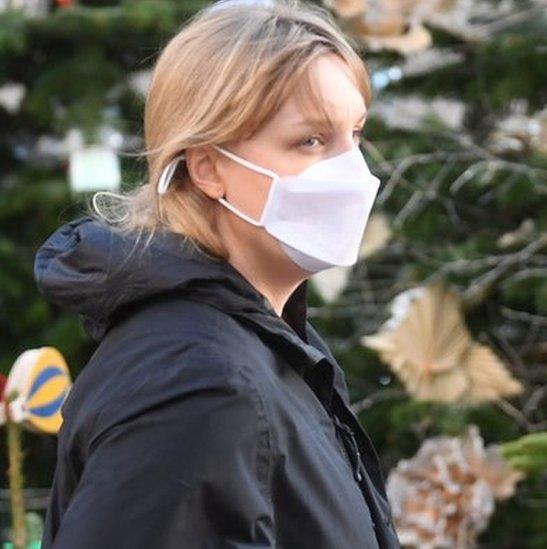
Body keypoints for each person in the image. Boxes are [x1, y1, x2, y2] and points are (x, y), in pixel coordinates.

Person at [32, 0, 400, 547]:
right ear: (207, 168)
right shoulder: (200, 378)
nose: (354, 173)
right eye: (310, 141)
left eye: (355, 135)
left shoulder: (266, 345)